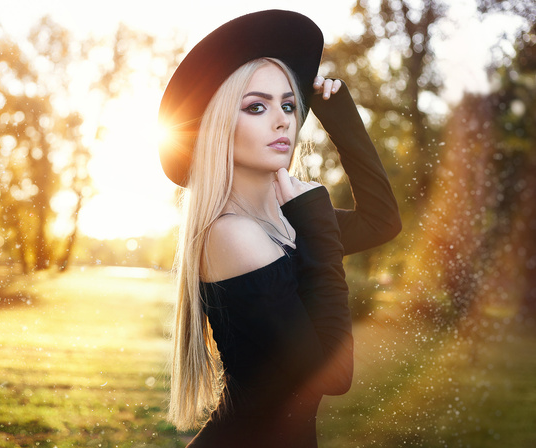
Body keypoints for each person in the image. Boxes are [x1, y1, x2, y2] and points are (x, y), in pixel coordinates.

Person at [157, 10, 401, 447]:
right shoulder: (232, 235)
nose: (283, 119)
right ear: (218, 127)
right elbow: (335, 374)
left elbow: (382, 222)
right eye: (256, 106)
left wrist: (340, 117)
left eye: (288, 104)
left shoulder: (279, 222)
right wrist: (314, 222)